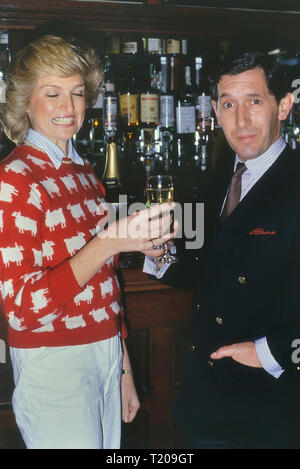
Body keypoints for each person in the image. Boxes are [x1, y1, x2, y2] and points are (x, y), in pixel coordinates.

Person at [0, 34, 174, 449]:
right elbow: (21, 310)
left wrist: (123, 371)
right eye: (53, 93)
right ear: (26, 100)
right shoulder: (15, 178)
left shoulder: (83, 172)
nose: (68, 106)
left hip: (104, 354)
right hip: (55, 362)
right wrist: (111, 242)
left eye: (77, 93)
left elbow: (104, 289)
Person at [144, 51, 300, 449]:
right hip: (206, 400)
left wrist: (269, 353)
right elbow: (198, 267)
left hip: (274, 406)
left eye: (254, 101)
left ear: (284, 105)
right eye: (229, 104)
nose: (241, 120)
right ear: (214, 110)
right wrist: (157, 253)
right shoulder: (213, 181)